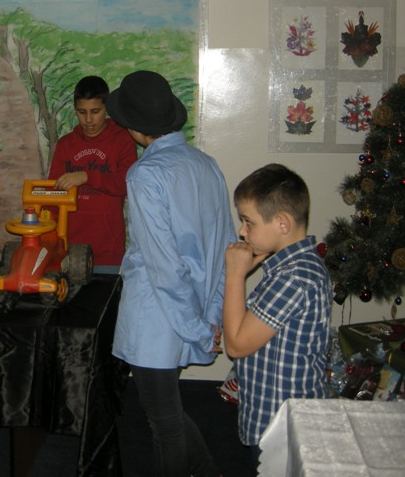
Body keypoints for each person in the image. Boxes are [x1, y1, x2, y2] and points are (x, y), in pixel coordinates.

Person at [106, 70, 236, 477]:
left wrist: (198, 328)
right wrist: (210, 316)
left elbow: (163, 267)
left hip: (157, 317)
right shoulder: (206, 164)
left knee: (162, 421)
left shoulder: (145, 175)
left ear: (133, 127)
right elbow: (225, 249)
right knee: (166, 410)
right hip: (193, 310)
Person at [223, 163, 332, 461]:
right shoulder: (292, 268)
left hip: (283, 424)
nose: (242, 231)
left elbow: (236, 345)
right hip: (276, 414)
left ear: (282, 223)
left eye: (248, 222)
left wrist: (235, 275)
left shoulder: (294, 277)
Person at [48, 75, 137, 267]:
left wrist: (86, 176)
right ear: (75, 110)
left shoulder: (122, 140)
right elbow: (52, 198)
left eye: (95, 111)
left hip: (108, 249)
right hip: (69, 249)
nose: (88, 120)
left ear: (107, 109)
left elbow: (125, 183)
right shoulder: (65, 144)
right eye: (82, 112)